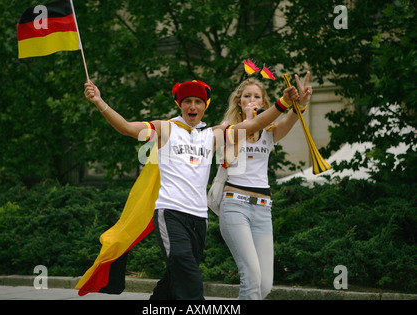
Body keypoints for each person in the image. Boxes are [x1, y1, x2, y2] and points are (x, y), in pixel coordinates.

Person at [83, 78, 294, 300]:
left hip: (198, 219)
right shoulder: (166, 128)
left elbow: (252, 125)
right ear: (180, 105)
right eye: (187, 101)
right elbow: (127, 128)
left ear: (205, 106)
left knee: (174, 279)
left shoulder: (212, 135)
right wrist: (99, 101)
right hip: (171, 213)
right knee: (190, 280)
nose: (192, 106)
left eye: (197, 101)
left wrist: (283, 103)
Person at [218, 72, 312, 300]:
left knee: (264, 285)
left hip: (262, 209)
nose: (252, 100)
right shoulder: (228, 129)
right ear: (239, 102)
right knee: (251, 278)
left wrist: (302, 103)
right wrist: (251, 119)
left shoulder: (270, 133)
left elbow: (292, 117)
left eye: (257, 97)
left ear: (264, 102)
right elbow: (228, 158)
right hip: (235, 206)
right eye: (247, 96)